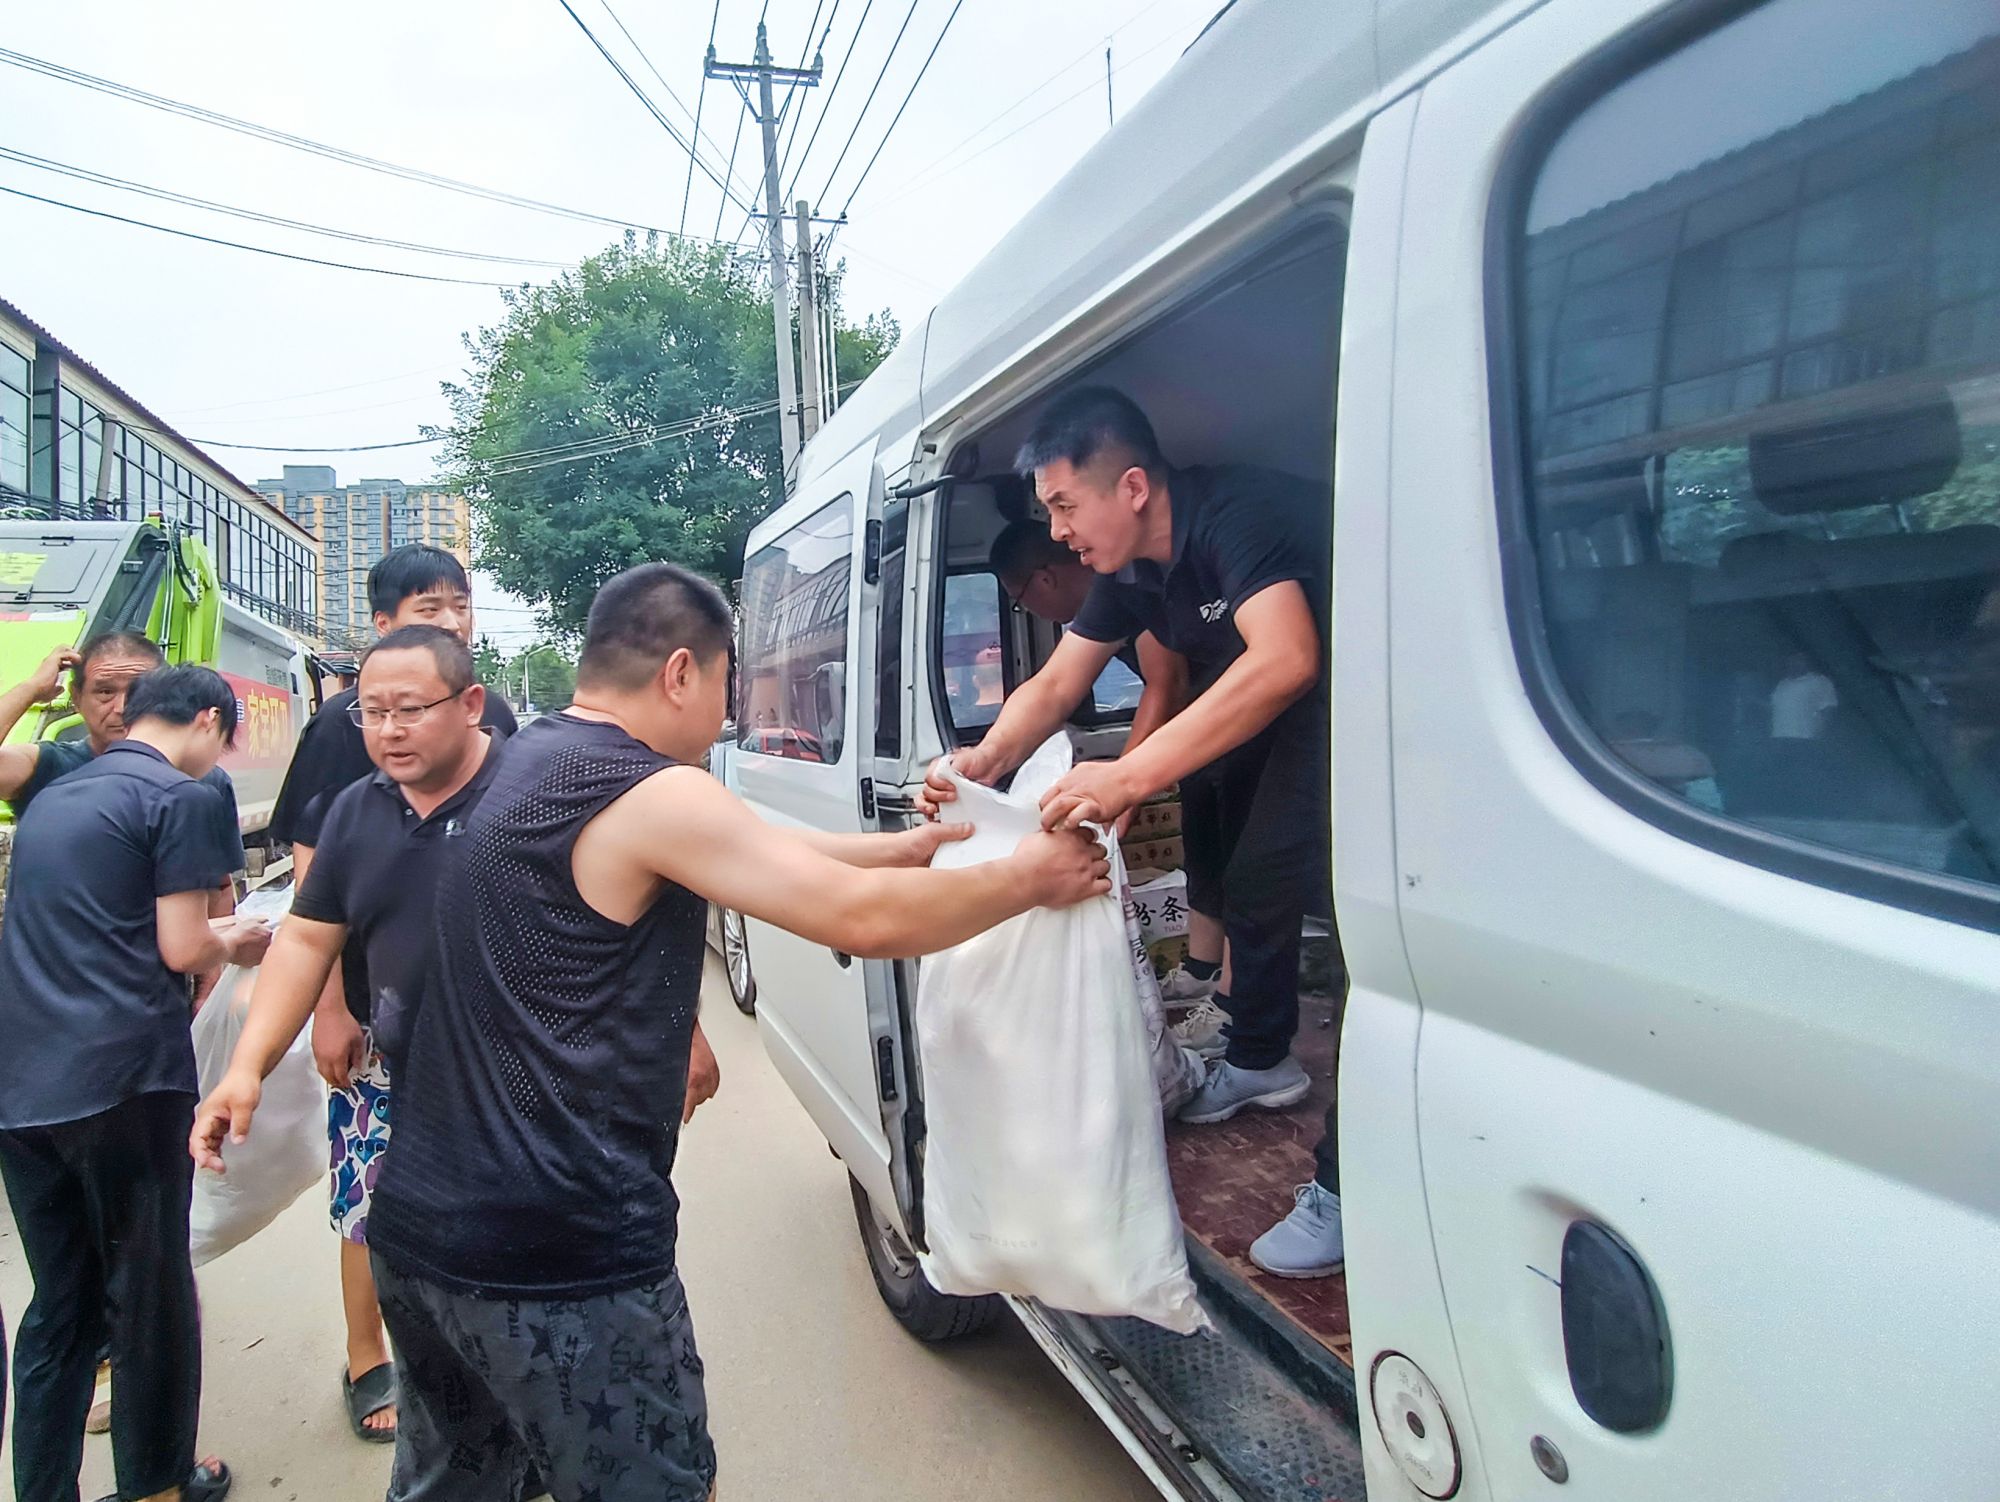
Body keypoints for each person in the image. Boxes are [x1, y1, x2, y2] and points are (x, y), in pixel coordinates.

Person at [199, 562, 1109, 1501]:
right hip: (561, 1249)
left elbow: (746, 842)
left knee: (454, 1487)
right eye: (724, 683)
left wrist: (904, 849)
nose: (725, 714)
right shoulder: (646, 788)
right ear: (680, 671)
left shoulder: (528, 756)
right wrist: (1029, 878)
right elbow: (860, 921)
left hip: (419, 1236)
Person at [923, 385, 1347, 1278]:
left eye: (1064, 506)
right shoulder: (1126, 575)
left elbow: (1287, 657)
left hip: (1362, 699)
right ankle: (1262, 1057)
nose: (1059, 532)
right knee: (1242, 874)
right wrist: (983, 761)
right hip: (1279, 712)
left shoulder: (1234, 514)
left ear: (1134, 487)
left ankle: (1349, 1178)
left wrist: (1128, 775)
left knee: (1305, 898)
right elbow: (1055, 684)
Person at [0, 665, 273, 1502]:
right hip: (124, 1082)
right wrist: (239, 940)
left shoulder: (55, 798)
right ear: (209, 720)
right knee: (149, 1295)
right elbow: (184, 945)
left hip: (22, 1088)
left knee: (61, 1306)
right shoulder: (178, 797)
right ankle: (157, 1485)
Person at [265, 543, 515, 1441]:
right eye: (427, 606)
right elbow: (312, 877)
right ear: (382, 623)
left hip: (479, 1014)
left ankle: (477, 1358)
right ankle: (367, 1353)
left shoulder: (493, 714)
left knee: (485, 1187)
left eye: (460, 603)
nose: (450, 619)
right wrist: (330, 1007)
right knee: (373, 1185)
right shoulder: (349, 724)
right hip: (377, 1012)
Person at [991, 521, 1226, 1009]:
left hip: (1229, 729)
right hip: (1198, 745)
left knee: (1241, 869)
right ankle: (1203, 970)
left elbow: (1167, 684)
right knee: (1205, 849)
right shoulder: (1102, 609)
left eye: (1020, 599)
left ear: (1044, 579)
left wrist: (1125, 788)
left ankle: (1234, 1011)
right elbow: (1054, 685)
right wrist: (987, 758)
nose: (1027, 610)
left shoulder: (1134, 587)